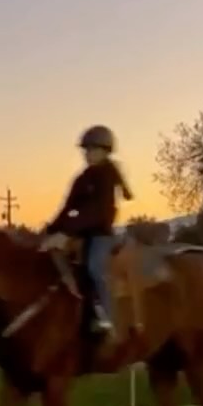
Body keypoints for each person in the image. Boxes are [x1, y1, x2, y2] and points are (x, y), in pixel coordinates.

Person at [40, 125, 133, 332]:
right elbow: (68, 208)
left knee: (94, 268)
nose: (88, 154)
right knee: (56, 263)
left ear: (105, 151)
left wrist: (66, 232)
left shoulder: (107, 177)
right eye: (86, 150)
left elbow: (98, 212)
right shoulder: (82, 179)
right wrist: (52, 230)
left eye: (92, 150)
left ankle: (109, 318)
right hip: (80, 235)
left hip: (101, 235)